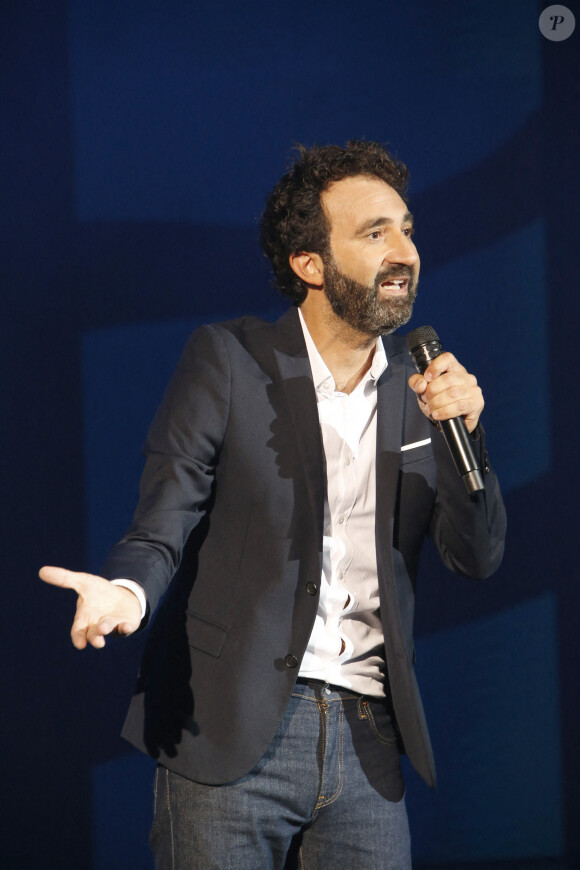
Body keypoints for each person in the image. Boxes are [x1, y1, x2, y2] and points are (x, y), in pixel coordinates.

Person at [40, 140, 506, 869]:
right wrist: (128, 589)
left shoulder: (426, 395)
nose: (404, 251)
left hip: (369, 737)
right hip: (231, 725)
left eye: (407, 228)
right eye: (374, 233)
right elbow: (169, 507)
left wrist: (464, 435)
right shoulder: (230, 359)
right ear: (310, 265)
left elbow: (476, 557)